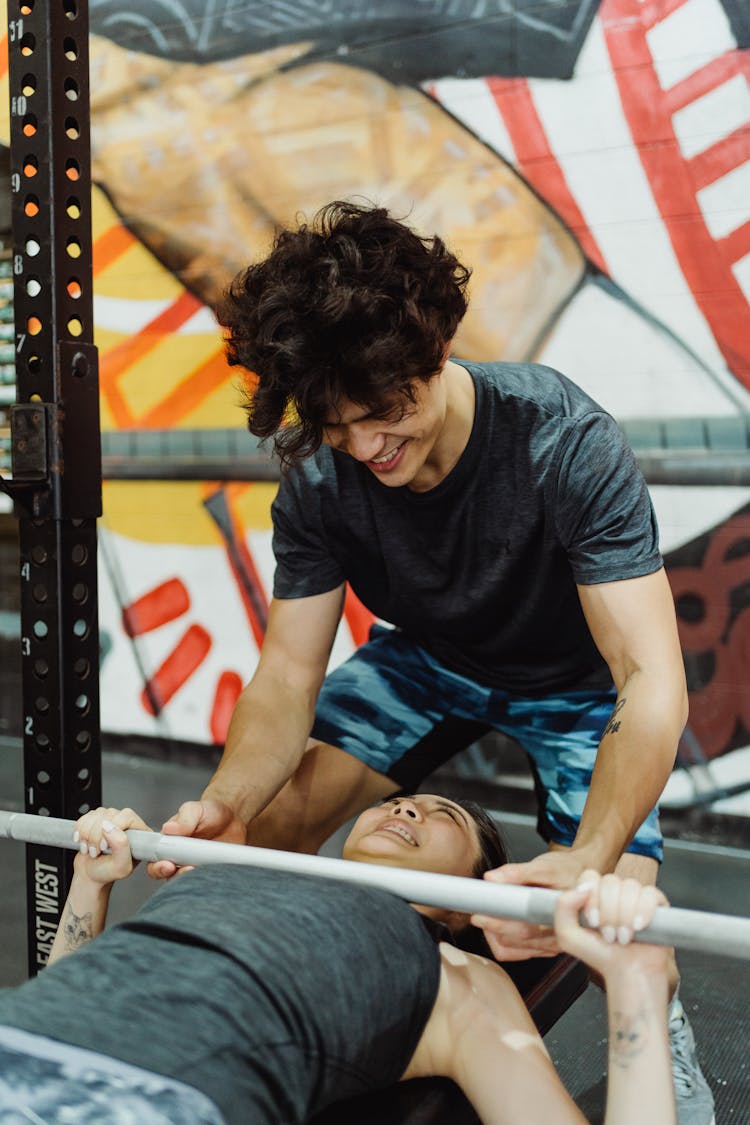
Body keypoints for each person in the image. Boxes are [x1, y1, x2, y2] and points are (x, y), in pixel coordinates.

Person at [151, 201, 711, 1122]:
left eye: (383, 414)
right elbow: (287, 675)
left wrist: (593, 856)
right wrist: (229, 801)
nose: (366, 448)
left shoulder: (561, 440)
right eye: (339, 427)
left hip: (575, 684)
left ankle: (665, 1044)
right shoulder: (324, 477)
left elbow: (650, 678)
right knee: (265, 825)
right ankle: (284, 1037)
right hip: (430, 659)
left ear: (434, 353)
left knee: (613, 899)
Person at [0, 798, 676, 1125]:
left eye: (444, 816)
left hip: (138, 1105)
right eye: (399, 797)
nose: (407, 804)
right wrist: (93, 882)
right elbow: (72, 993)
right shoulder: (233, 870)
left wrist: (638, 983)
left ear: (468, 899)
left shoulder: (459, 977)